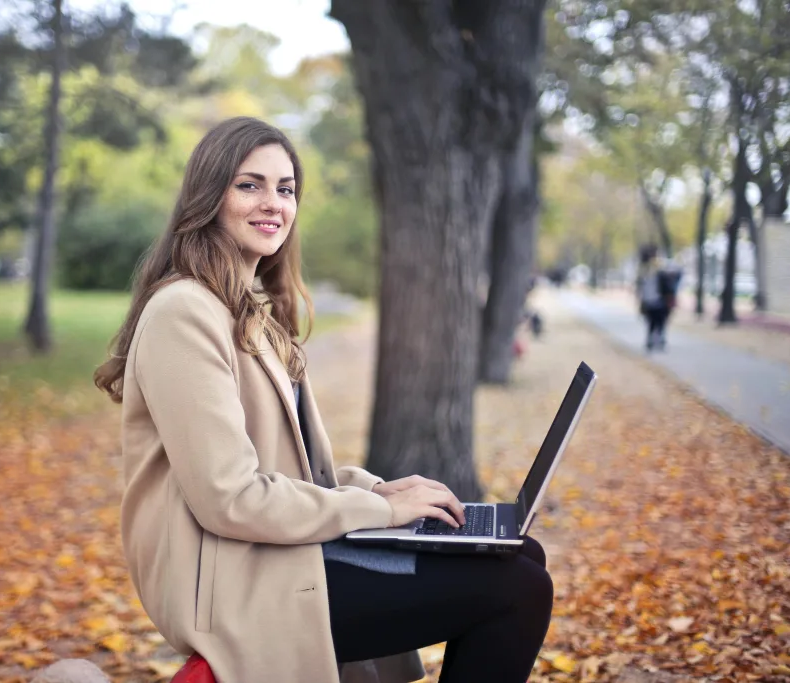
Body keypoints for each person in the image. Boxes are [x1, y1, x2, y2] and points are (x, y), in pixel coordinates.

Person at [95, 117, 553, 683]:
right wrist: (383, 514)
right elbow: (229, 497)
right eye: (250, 184)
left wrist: (377, 489)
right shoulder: (184, 312)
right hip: (229, 582)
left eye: (285, 189)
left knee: (520, 555)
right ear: (208, 195)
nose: (273, 204)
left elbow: (295, 471)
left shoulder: (246, 307)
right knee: (518, 587)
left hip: (275, 553)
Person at [635, 244, 679, 351]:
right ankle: (655, 339)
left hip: (658, 300)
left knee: (657, 321)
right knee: (655, 321)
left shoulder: (657, 268)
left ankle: (657, 339)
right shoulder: (648, 269)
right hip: (652, 300)